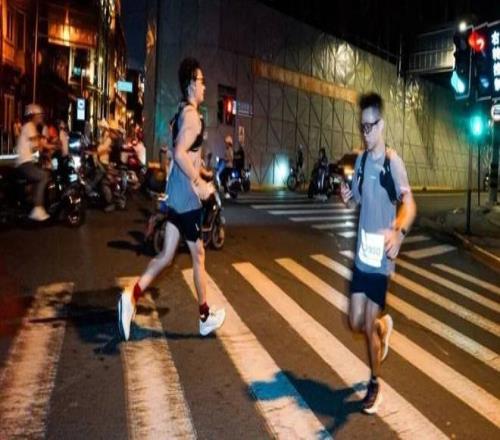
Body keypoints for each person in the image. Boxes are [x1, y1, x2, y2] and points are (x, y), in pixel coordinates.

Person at [118, 57, 226, 341]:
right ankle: (204, 317)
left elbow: (176, 153)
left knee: (166, 255)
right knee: (198, 256)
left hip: (176, 195)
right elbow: (178, 153)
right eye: (201, 81)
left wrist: (199, 171)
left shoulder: (180, 113)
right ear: (191, 84)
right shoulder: (192, 117)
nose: (204, 87)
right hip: (187, 199)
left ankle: (131, 296)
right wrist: (199, 183)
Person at [340, 92, 416, 414]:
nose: (366, 133)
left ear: (381, 125)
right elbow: (358, 199)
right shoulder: (359, 162)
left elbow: (409, 205)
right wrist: (347, 197)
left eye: (370, 126)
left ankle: (374, 384)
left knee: (368, 323)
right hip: (362, 257)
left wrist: (399, 231)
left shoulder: (392, 163)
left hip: (381, 262)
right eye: (362, 127)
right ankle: (383, 329)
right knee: (355, 321)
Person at [15, 104, 50, 221]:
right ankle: (37, 208)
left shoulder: (30, 127)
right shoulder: (30, 126)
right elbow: (36, 142)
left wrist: (43, 152)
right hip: (24, 163)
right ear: (33, 116)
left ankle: (33, 201)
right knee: (44, 176)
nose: (41, 118)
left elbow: (35, 147)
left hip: (26, 162)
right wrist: (46, 145)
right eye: (39, 115)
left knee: (40, 173)